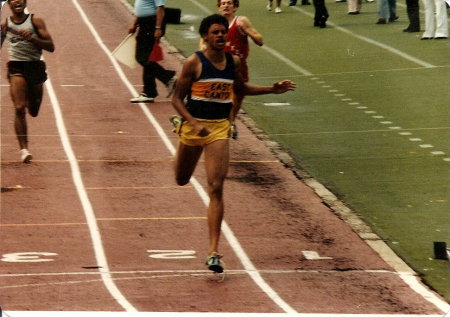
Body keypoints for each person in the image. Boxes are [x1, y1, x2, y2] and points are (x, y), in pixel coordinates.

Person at [170, 14, 296, 273]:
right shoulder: (194, 63)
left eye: (223, 32)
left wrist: (271, 90)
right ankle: (178, 127)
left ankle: (213, 252)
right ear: (205, 36)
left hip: (218, 129)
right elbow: (176, 100)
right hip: (195, 127)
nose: (220, 36)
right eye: (215, 32)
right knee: (181, 179)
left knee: (216, 187)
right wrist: (192, 123)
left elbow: (240, 89)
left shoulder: (233, 61)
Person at [1, 0, 55, 163]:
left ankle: (31, 100)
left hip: (35, 67)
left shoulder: (35, 21)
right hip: (16, 67)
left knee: (33, 110)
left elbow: (51, 46)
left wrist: (33, 38)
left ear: (25, 3)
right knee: (19, 108)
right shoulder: (5, 25)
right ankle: (24, 149)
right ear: (9, 4)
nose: (17, 1)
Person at [216, 0, 264, 138]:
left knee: (238, 96)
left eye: (229, 3)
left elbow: (258, 37)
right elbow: (203, 40)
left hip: (238, 65)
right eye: (223, 3)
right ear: (219, 7)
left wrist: (255, 38)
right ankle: (226, 122)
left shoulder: (240, 21)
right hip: (220, 65)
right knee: (221, 95)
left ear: (235, 7)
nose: (226, 6)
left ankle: (231, 121)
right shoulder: (215, 23)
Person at [128, 0, 177, 103]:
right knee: (147, 59)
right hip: (144, 23)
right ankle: (149, 92)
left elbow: (160, 7)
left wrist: (158, 28)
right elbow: (140, 8)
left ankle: (168, 78)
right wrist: (135, 24)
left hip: (152, 23)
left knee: (142, 57)